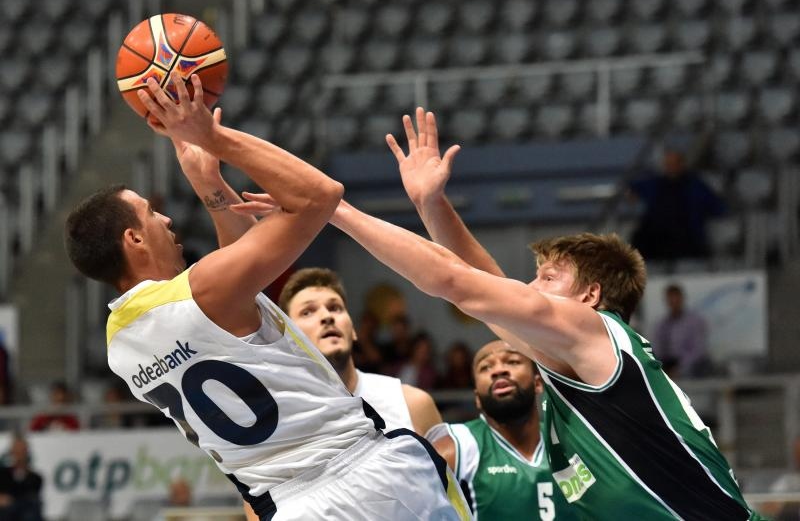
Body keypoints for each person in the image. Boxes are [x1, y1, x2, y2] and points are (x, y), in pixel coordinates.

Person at [234, 107, 759, 519]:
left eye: (548, 278)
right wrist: (432, 206)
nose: (529, 288)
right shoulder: (577, 362)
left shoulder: (594, 331)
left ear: (591, 296)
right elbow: (485, 284)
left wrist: (334, 210)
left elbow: (458, 283)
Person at [64, 77, 469, 521]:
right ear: (134, 238)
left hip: (288, 506)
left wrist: (209, 184)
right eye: (149, 212)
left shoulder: (119, 343)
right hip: (366, 478)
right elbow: (320, 195)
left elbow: (239, 284)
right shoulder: (201, 291)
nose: (164, 217)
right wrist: (213, 138)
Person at [277, 267, 443, 435]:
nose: (327, 316)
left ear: (353, 331)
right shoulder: (281, 422)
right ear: (288, 340)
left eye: (335, 308)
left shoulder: (411, 404)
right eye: (307, 312)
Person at [430, 340, 579, 520]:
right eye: (485, 367)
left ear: (538, 383)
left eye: (512, 361)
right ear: (477, 397)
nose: (498, 370)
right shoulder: (455, 448)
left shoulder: (569, 444)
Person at [628, 149, 726, 263]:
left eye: (675, 163)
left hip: (687, 234)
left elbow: (717, 206)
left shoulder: (695, 185)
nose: (671, 167)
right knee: (641, 238)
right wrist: (632, 193)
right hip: (657, 234)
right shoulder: (656, 183)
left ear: (682, 164)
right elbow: (634, 187)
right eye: (668, 164)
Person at [653, 283, 713, 378]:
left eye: (676, 299)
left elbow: (698, 350)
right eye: (670, 299)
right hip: (667, 367)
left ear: (682, 299)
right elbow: (657, 349)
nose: (673, 302)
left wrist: (680, 368)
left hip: (692, 369)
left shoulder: (695, 322)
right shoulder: (662, 325)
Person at [0, 434, 43, 521]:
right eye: (16, 450)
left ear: (26, 452)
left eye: (22, 450)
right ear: (11, 452)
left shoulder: (35, 478)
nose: (19, 454)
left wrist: (11, 500)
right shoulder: (2, 474)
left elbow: (30, 497)